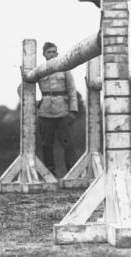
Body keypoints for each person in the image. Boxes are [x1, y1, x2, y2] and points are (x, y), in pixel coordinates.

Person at [36, 42, 78, 176]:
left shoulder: (65, 69)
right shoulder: (39, 70)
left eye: (54, 52)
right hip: (45, 112)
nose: (52, 54)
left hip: (63, 111)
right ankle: (50, 173)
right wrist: (33, 104)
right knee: (46, 144)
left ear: (57, 53)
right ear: (44, 54)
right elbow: (25, 87)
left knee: (68, 143)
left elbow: (72, 90)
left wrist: (73, 110)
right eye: (49, 52)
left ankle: (72, 173)